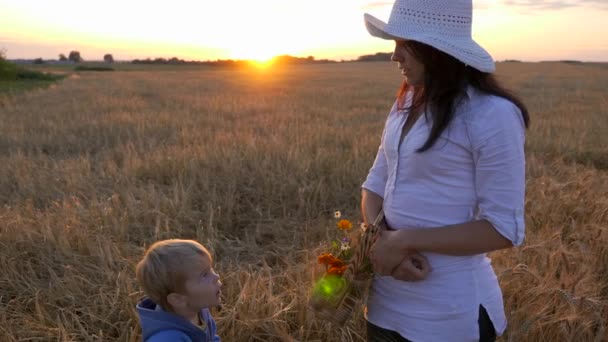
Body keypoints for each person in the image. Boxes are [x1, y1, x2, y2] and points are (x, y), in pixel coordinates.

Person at [360, 0, 530, 341]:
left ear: (435, 47)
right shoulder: (405, 103)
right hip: (383, 304)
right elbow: (374, 185)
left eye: (403, 44)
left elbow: (503, 229)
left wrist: (404, 241)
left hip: (449, 316)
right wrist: (382, 244)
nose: (395, 56)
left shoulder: (491, 114)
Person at [135, 239, 222, 341]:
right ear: (178, 299)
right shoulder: (167, 338)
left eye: (210, 269)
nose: (216, 276)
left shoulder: (198, 310)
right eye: (204, 275)